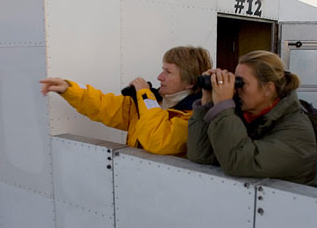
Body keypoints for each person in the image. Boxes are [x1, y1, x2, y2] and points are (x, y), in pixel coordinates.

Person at [40, 46, 212, 156]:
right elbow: (103, 106)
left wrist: (145, 95)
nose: (160, 77)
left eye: (168, 72)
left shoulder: (194, 115)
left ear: (189, 82)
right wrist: (69, 89)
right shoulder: (149, 103)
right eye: (162, 70)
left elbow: (158, 140)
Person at [187, 50, 317, 186]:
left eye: (241, 83)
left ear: (268, 88)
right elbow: (200, 154)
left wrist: (223, 107)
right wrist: (208, 101)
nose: (236, 89)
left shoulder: (297, 131)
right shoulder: (243, 116)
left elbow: (238, 162)